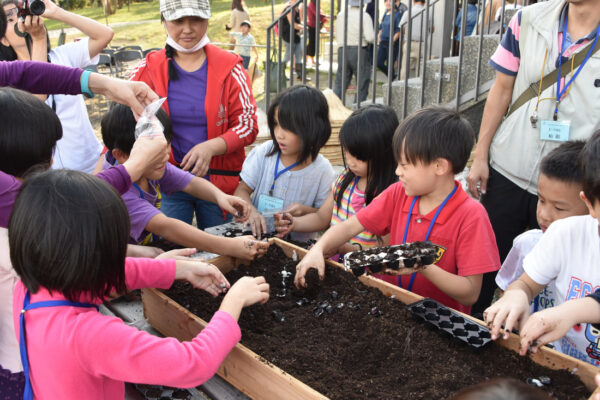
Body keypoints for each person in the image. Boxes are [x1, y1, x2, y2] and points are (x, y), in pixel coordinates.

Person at [8, 169, 270, 399]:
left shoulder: (29, 288)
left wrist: (176, 269)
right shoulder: (91, 336)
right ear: (91, 260)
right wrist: (233, 302)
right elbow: (192, 364)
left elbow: (107, 273)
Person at [0, 87, 167, 396]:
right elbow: (189, 362)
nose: (52, 163)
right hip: (22, 368)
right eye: (49, 152)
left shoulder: (24, 223)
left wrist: (158, 265)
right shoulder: (17, 236)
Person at [294, 106, 501, 315]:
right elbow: (350, 226)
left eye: (405, 164)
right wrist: (318, 250)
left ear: (439, 166)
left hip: (438, 322)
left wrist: (422, 265)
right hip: (390, 309)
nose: (397, 171)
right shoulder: (398, 193)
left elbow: (470, 293)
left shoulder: (471, 216)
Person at [466, 0, 600, 316]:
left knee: (559, 283)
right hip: (508, 166)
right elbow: (501, 89)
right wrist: (481, 154)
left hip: (571, 185)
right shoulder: (527, 18)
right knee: (487, 271)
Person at [131, 0, 259, 230]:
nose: (188, 29)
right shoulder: (146, 70)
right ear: (164, 21)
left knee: (222, 246)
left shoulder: (231, 68)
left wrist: (210, 147)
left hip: (219, 182)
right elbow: (124, 123)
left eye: (196, 20)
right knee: (172, 247)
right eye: (178, 21)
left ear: (207, 20)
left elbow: (247, 125)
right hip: (168, 181)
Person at [484, 130, 600, 366]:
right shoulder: (566, 234)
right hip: (562, 364)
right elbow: (526, 283)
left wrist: (569, 312)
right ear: (590, 203)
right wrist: (517, 294)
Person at [101, 104, 269, 260]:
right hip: (114, 264)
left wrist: (220, 196)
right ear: (121, 155)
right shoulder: (121, 195)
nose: (166, 155)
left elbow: (190, 183)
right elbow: (166, 227)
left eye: (167, 145)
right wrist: (228, 246)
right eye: (156, 150)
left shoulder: (151, 165)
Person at [2, 0, 114, 173]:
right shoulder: (7, 80)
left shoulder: (62, 56)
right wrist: (38, 39)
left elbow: (104, 34)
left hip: (93, 166)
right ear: (4, 39)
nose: (20, 20)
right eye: (11, 18)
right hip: (49, 180)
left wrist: (57, 12)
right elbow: (36, 102)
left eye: (22, 13)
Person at [274, 105, 398, 258]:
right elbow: (321, 218)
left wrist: (346, 249)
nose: (351, 162)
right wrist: (294, 224)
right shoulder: (345, 179)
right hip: (334, 264)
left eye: (359, 157)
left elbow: (383, 252)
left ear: (384, 154)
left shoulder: (390, 195)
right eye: (347, 153)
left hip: (364, 273)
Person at [234, 85, 335, 241]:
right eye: (275, 124)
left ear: (313, 128)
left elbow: (323, 217)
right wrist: (250, 212)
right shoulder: (264, 153)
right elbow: (242, 190)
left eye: (288, 128)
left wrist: (304, 211)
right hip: (253, 240)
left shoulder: (323, 170)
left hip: (295, 249)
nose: (279, 134)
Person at [495, 141, 588, 310]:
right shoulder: (527, 244)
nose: (544, 215)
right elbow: (506, 290)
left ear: (592, 207)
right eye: (541, 200)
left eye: (559, 208)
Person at [333, 0, 375, 103]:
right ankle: (357, 109)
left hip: (342, 49)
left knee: (341, 82)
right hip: (359, 50)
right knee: (362, 82)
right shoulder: (364, 16)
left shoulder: (341, 15)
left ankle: (334, 106)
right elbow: (370, 37)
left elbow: (336, 33)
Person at [399, 0, 431, 79]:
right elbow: (431, 29)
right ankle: (418, 88)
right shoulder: (428, 13)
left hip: (409, 43)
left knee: (405, 69)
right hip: (422, 44)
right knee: (420, 70)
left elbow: (401, 27)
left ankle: (402, 87)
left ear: (413, 1)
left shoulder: (407, 12)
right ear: (424, 2)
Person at [280, 0, 307, 81]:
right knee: (288, 55)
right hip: (288, 37)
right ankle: (281, 73)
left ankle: (300, 75)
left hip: (296, 36)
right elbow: (293, 24)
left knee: (299, 55)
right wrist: (303, 27)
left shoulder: (297, 9)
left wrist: (305, 25)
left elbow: (298, 22)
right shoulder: (289, 9)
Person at [376, 0, 401, 78]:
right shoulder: (386, 13)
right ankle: (393, 77)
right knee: (379, 63)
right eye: (386, 1)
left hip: (392, 43)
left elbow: (398, 30)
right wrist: (378, 36)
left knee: (390, 64)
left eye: (390, 1)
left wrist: (393, 40)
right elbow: (381, 27)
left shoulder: (397, 15)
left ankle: (391, 81)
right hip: (383, 42)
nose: (388, 3)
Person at [306, 0, 327, 66]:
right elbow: (318, 14)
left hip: (315, 26)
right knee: (312, 43)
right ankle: (311, 60)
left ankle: (308, 59)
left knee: (312, 43)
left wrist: (325, 18)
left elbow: (320, 15)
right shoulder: (312, 4)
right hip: (312, 26)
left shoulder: (315, 4)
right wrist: (327, 17)